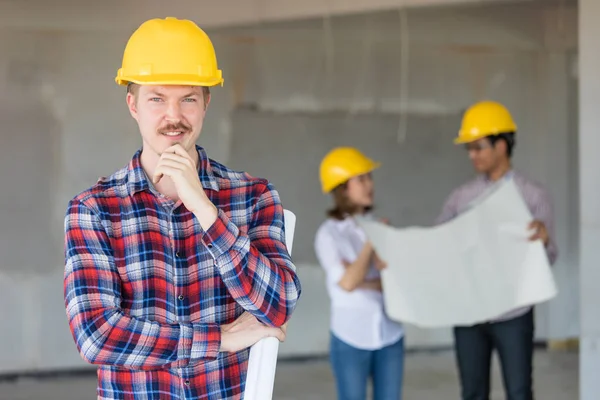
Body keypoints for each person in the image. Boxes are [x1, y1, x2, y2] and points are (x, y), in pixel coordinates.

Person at [63, 17, 301, 400]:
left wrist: (204, 209)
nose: (173, 116)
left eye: (188, 98)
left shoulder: (253, 196)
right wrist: (221, 338)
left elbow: (279, 306)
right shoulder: (94, 210)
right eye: (157, 98)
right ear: (133, 105)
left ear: (206, 102)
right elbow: (97, 335)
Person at [436, 100, 558, 400]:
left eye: (478, 147)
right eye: (469, 148)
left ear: (502, 145)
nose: (472, 155)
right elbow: (439, 244)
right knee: (473, 392)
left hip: (513, 312)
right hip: (469, 311)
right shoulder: (461, 198)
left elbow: (550, 257)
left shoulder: (533, 196)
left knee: (518, 392)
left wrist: (542, 240)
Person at [314, 147, 405, 400]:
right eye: (361, 179)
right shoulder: (328, 234)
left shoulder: (381, 225)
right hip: (350, 338)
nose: (370, 185)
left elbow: (396, 281)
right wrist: (371, 245)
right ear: (343, 188)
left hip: (390, 334)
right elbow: (347, 282)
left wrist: (362, 278)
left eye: (369, 178)